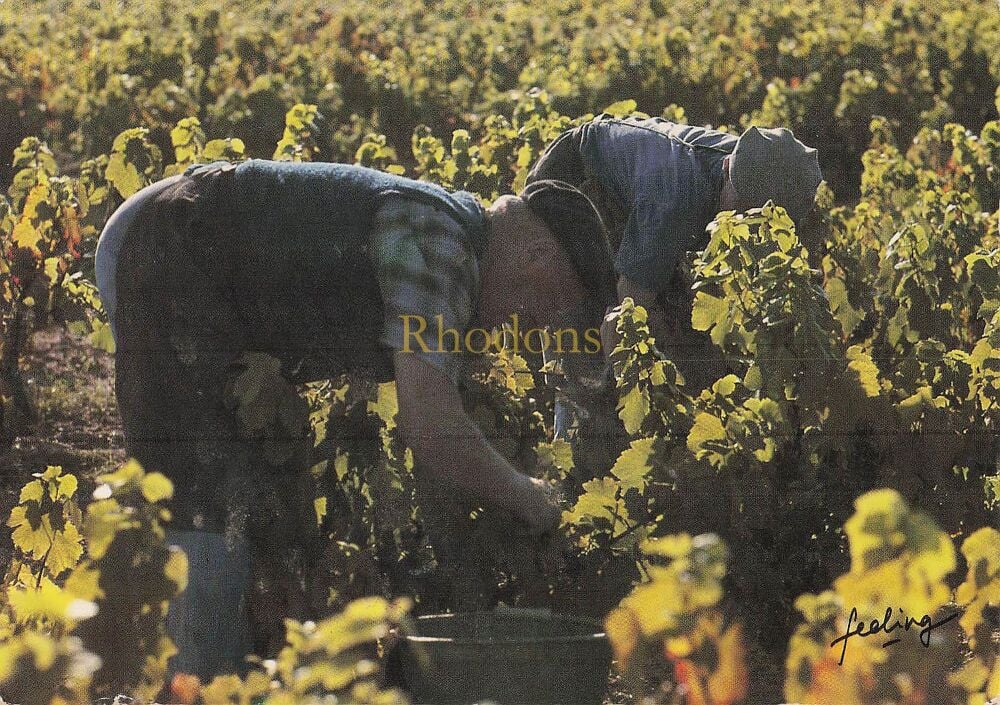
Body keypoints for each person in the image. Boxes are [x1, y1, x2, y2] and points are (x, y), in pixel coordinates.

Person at [94, 159, 615, 678]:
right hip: (169, 254)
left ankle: (214, 674)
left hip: (194, 271)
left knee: (239, 520)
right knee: (202, 510)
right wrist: (528, 497)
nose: (539, 325)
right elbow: (432, 425)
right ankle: (198, 682)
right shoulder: (440, 244)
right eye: (550, 305)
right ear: (535, 253)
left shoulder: (452, 251)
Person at [526, 116, 823, 437]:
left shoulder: (764, 167)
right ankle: (571, 449)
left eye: (759, 217)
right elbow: (623, 315)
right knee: (584, 349)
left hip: (637, 200)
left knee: (686, 341)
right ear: (727, 169)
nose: (746, 221)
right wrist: (617, 384)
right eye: (742, 207)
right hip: (576, 181)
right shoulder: (675, 201)